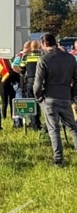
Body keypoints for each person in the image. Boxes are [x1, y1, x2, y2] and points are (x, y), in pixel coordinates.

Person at [33, 33, 77, 166]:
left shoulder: (44, 59)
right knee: (73, 128)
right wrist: (72, 94)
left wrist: (39, 97)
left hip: (50, 97)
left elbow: (37, 84)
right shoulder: (71, 58)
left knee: (54, 129)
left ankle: (58, 159)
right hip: (65, 96)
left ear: (44, 44)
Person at [20, 40, 43, 130]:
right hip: (41, 82)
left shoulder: (26, 56)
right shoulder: (42, 56)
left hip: (30, 82)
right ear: (38, 46)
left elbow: (21, 69)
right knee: (42, 102)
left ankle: (34, 124)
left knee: (32, 102)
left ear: (30, 47)